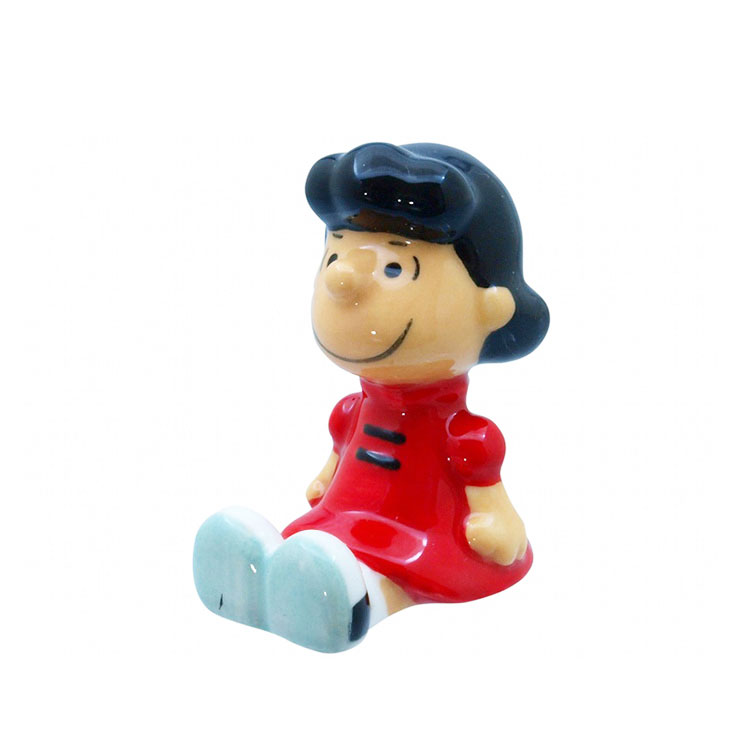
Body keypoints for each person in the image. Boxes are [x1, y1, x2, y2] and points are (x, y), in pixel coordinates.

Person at [193, 143, 550, 652]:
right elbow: (334, 466)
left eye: (394, 268)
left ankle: (352, 605)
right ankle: (260, 573)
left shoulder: (465, 436)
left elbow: (488, 495)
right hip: (343, 515)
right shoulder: (350, 412)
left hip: (423, 533)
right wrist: (325, 478)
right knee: (313, 542)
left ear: (491, 307)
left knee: (397, 575)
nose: (340, 280)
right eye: (335, 253)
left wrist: (498, 523)